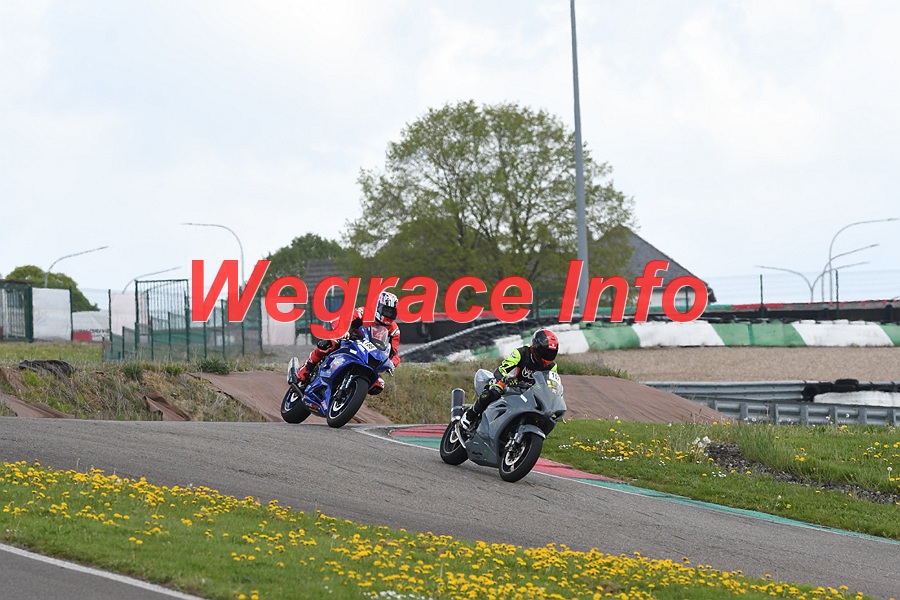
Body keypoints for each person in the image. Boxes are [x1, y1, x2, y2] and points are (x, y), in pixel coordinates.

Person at [296, 290, 401, 394]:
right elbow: (343, 319)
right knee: (329, 344)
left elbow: (395, 353)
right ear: (377, 306)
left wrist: (392, 363)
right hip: (350, 342)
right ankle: (306, 369)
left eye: (391, 312)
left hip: (370, 356)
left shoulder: (394, 330)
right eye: (386, 310)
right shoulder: (363, 312)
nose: (388, 314)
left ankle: (350, 392)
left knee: (379, 384)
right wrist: (343, 331)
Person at [459, 328, 559, 430]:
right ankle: (470, 415)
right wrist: (506, 379)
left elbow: (551, 386)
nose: (548, 356)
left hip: (529, 392)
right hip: (508, 385)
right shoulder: (520, 353)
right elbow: (500, 370)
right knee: (494, 392)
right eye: (545, 352)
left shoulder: (552, 367)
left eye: (551, 353)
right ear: (535, 347)